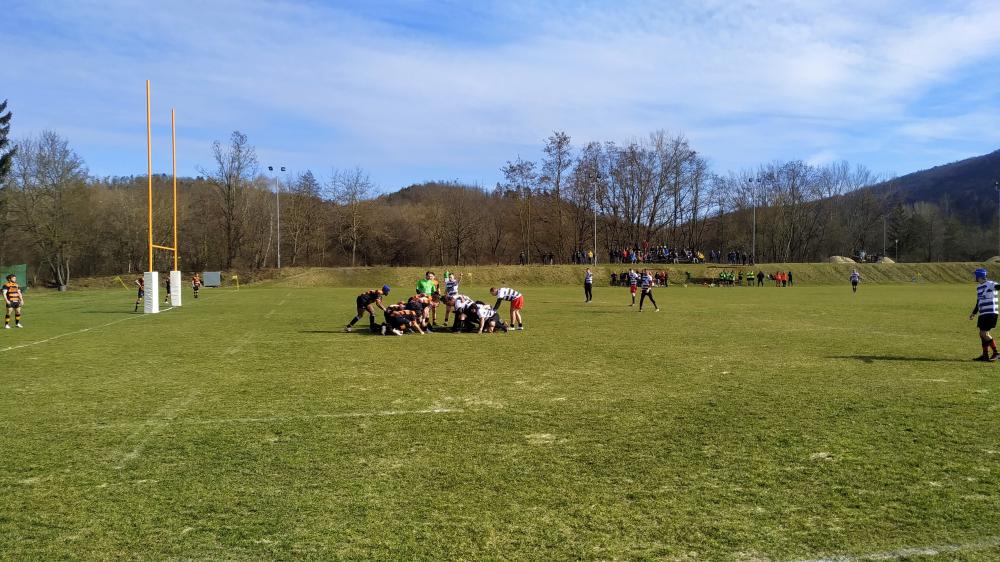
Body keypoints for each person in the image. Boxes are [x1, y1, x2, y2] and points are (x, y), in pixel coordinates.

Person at [970, 268, 999, 362]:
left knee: (984, 333)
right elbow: (978, 301)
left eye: (975, 275)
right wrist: (974, 313)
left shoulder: (990, 284)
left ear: (979, 276)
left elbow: (998, 287)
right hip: (983, 313)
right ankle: (985, 355)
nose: (974, 277)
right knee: (982, 334)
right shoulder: (978, 287)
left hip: (991, 312)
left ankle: (996, 353)